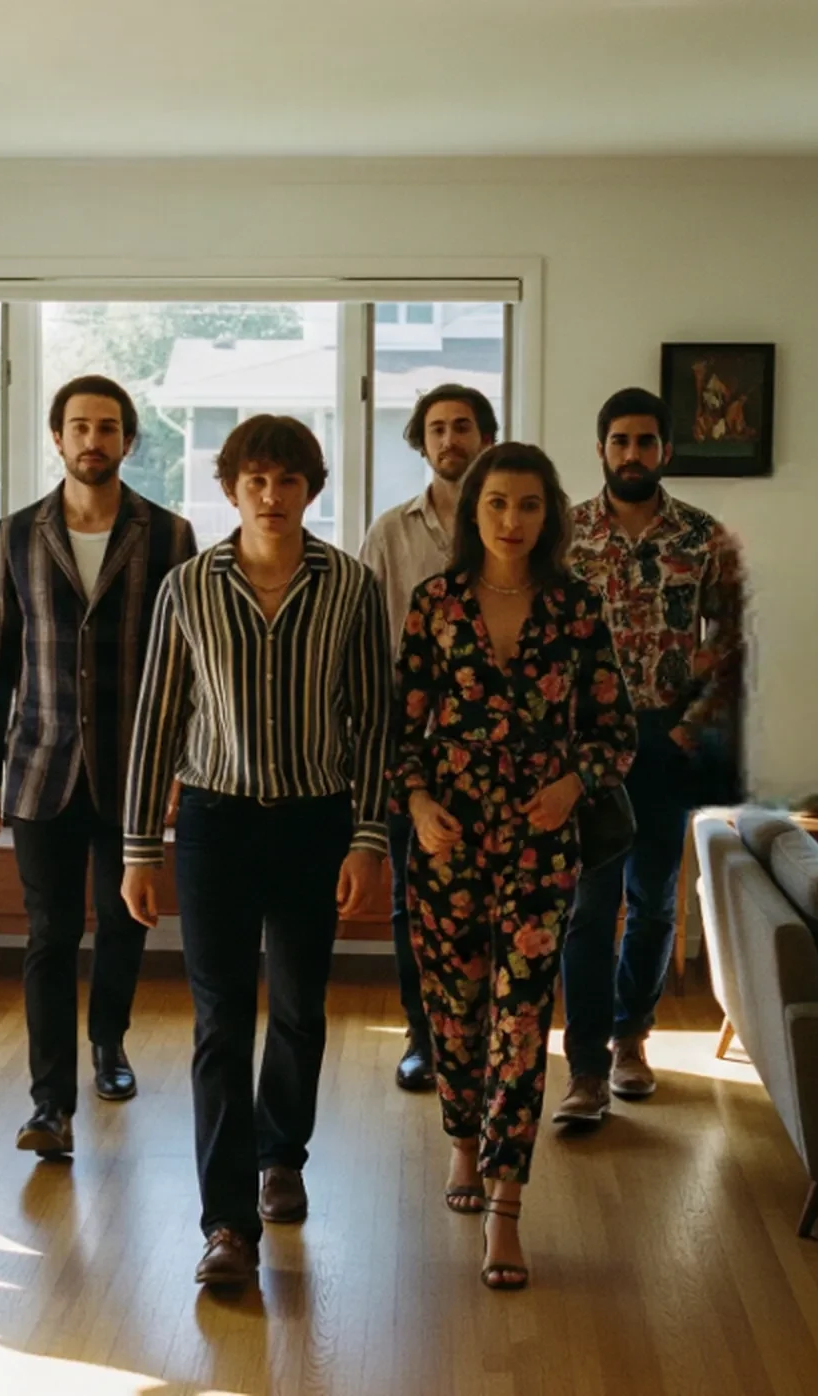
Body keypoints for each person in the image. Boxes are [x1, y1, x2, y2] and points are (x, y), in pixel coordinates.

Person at [120, 414, 391, 1289]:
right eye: (255, 482)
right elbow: (156, 719)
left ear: (311, 488)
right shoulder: (188, 587)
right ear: (230, 488)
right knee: (220, 1019)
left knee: (302, 1007)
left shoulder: (351, 584)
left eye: (288, 482)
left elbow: (376, 723)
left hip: (316, 822)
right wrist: (138, 850)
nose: (271, 498)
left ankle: (283, 1155)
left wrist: (368, 839)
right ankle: (227, 1223)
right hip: (214, 824)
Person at [394, 442, 634, 1289]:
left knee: (524, 1017)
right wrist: (419, 806)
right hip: (448, 842)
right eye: (496, 504)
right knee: (453, 1006)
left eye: (527, 505)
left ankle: (506, 1201)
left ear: (549, 514)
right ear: (474, 513)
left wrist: (574, 783)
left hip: (540, 840)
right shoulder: (436, 604)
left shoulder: (576, 609)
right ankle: (463, 1142)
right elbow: (400, 732)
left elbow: (616, 735)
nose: (510, 520)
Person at [0, 375, 197, 1159]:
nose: (92, 440)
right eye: (79, 427)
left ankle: (110, 1042)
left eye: (107, 427)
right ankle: (48, 1105)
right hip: (40, 765)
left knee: (125, 919)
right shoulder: (18, 533)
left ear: (129, 441)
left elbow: (188, 664)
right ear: (56, 438)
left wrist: (179, 768)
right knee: (50, 934)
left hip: (136, 770)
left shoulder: (169, 535)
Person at [554, 387, 750, 1127]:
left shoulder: (703, 537)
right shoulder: (566, 534)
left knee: (653, 900)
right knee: (588, 907)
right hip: (585, 745)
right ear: (600, 448)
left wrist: (688, 727)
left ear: (665, 450)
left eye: (645, 441)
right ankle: (584, 1068)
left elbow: (730, 641)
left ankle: (633, 1039)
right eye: (619, 440)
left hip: (666, 741)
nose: (631, 453)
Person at [356, 382, 495, 1094]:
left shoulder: (511, 523)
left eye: (463, 426)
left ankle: (493, 1037)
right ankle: (424, 1037)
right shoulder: (388, 533)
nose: (451, 440)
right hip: (412, 749)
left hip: (500, 754)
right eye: (437, 429)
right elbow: (366, 642)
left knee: (497, 899)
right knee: (414, 902)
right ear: (421, 441)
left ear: (487, 438)